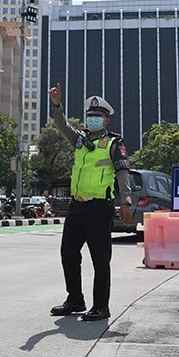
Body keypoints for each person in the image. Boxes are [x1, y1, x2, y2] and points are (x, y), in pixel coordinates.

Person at [48, 83, 133, 321]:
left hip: (99, 208)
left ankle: (101, 307)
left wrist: (126, 202)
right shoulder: (79, 140)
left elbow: (123, 173)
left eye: (97, 116)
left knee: (100, 258)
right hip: (77, 207)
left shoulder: (115, 144)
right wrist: (57, 105)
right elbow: (62, 126)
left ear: (106, 121)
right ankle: (75, 299)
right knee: (68, 252)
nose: (93, 119)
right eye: (90, 115)